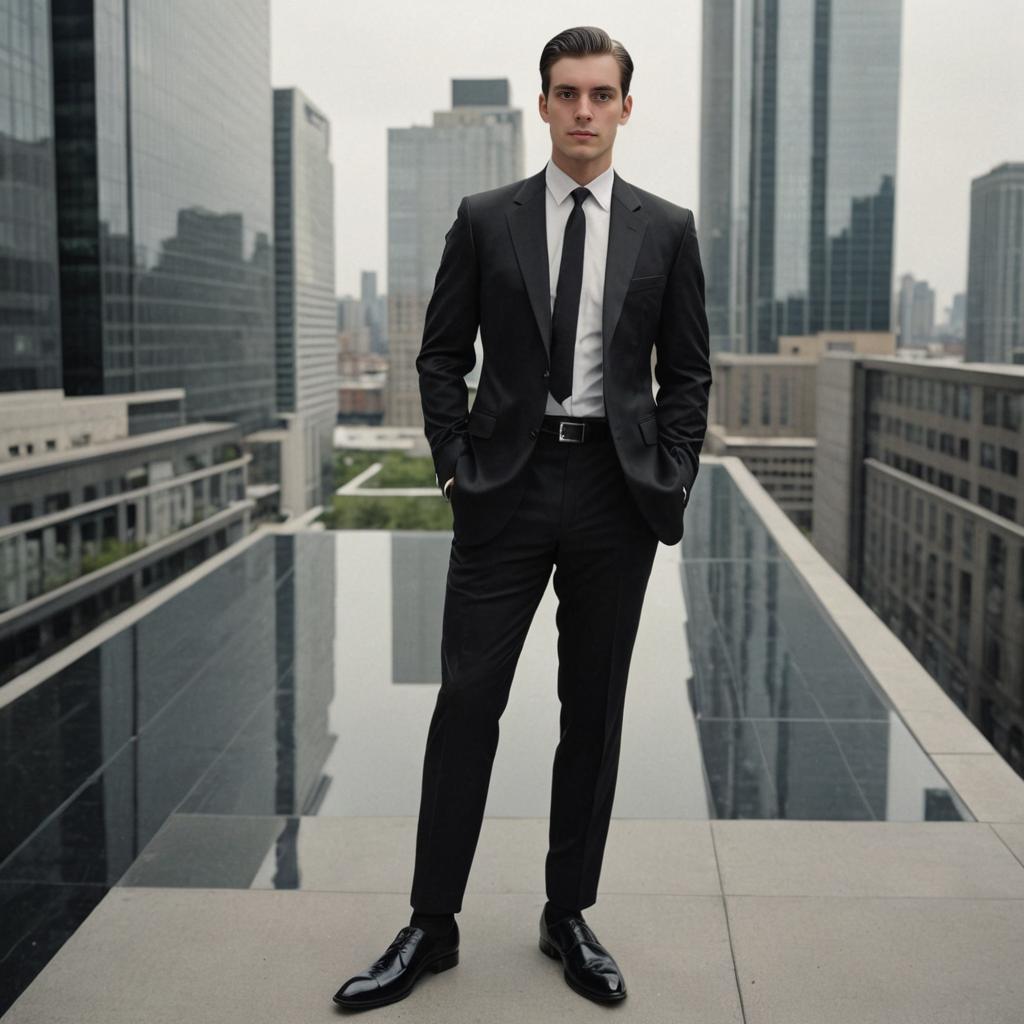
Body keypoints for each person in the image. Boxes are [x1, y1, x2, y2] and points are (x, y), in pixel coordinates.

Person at [334, 24, 710, 1011]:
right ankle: (431, 923)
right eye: (565, 93)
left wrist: (670, 476)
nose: (583, 110)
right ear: (541, 105)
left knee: (592, 712)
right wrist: (456, 468)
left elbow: (688, 372)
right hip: (503, 487)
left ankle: (566, 915)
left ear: (626, 106)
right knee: (466, 705)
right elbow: (437, 353)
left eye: (600, 94)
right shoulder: (484, 217)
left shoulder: (665, 228)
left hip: (614, 497)